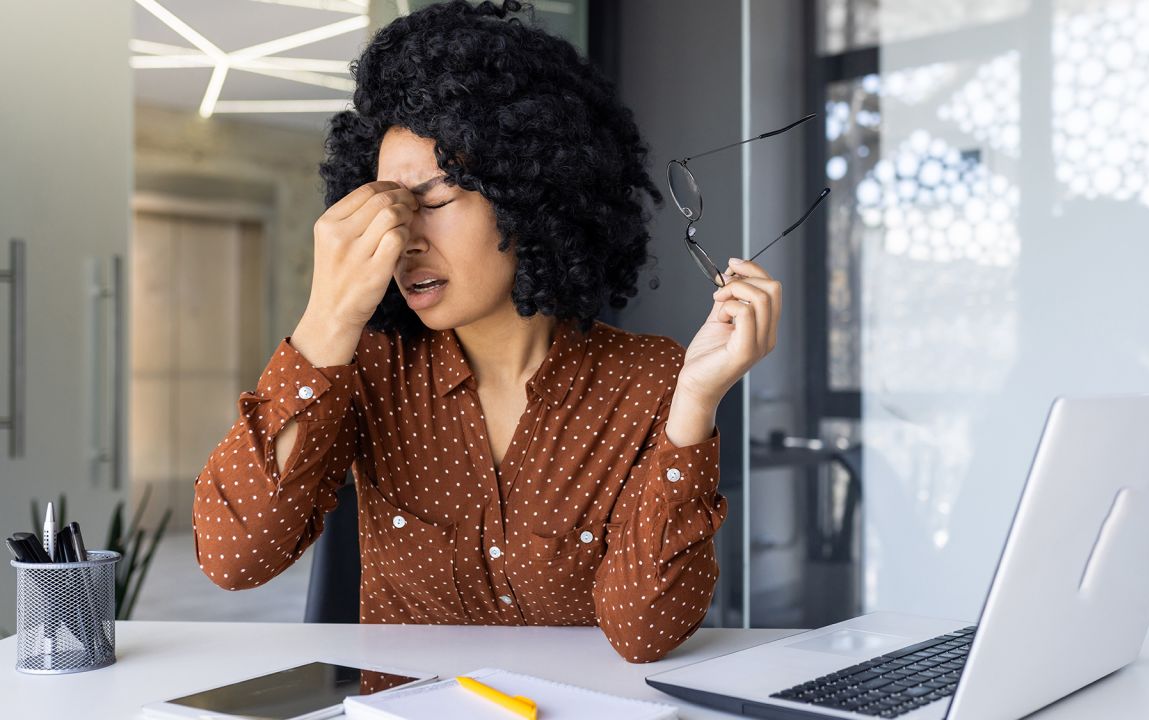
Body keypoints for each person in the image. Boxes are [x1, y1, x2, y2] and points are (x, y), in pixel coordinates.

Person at [191, 0, 781, 663]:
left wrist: (695, 406)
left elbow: (642, 633)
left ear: (531, 195)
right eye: (386, 207)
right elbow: (232, 557)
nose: (404, 239)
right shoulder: (368, 369)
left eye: (435, 201)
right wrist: (328, 313)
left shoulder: (646, 381)